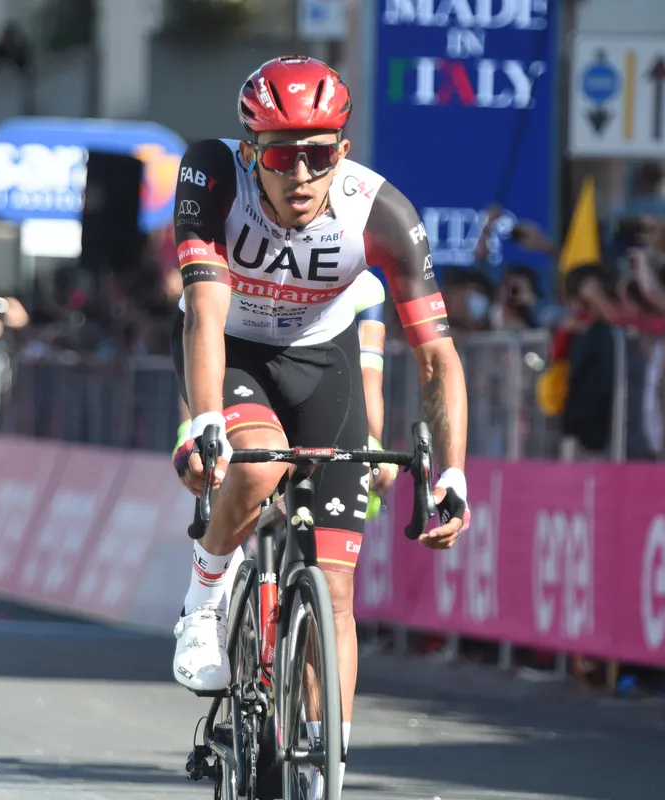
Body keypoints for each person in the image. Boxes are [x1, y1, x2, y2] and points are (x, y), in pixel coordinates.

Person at [169, 55, 470, 797]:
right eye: (281, 155)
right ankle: (206, 594)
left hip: (321, 361)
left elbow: (436, 357)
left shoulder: (381, 212)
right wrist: (203, 422)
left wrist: (452, 473)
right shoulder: (213, 176)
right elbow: (205, 311)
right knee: (260, 463)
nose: (301, 174)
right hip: (231, 352)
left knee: (335, 587)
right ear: (251, 155)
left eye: (321, 153)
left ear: (342, 149)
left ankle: (324, 766)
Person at [172, 269, 399, 516]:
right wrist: (190, 429)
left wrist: (373, 443)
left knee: (350, 494)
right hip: (242, 384)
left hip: (315, 397)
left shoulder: (366, 288)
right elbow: (200, 354)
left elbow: (369, 375)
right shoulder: (242, 264)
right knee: (228, 475)